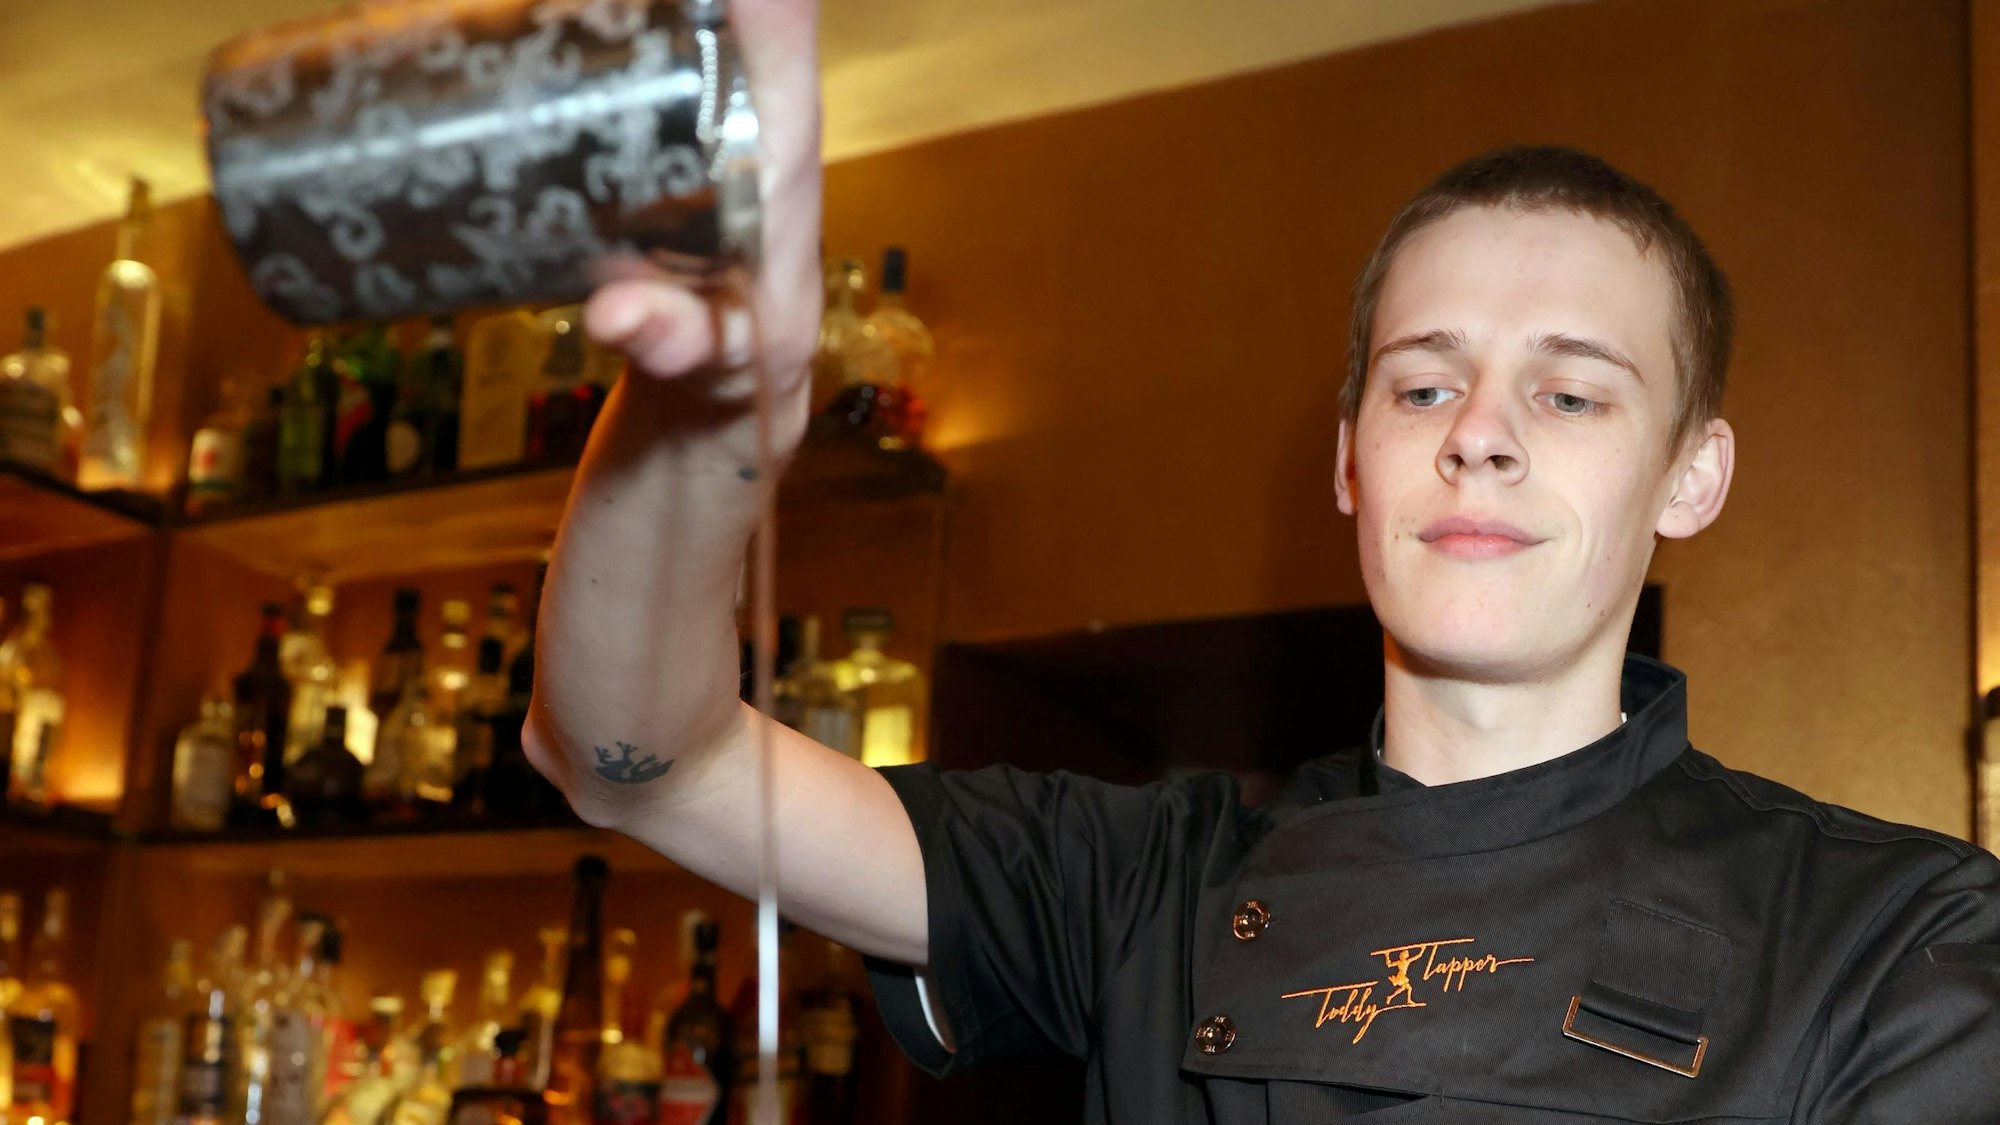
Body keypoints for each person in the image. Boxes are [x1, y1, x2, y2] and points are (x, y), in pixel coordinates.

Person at [523, 2, 2000, 1120]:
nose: (1478, 433)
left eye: (1568, 391)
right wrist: (701, 423)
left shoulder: (1897, 931)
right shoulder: (1136, 885)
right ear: (1351, 458)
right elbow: (634, 753)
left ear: (1694, 474)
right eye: (1423, 383)